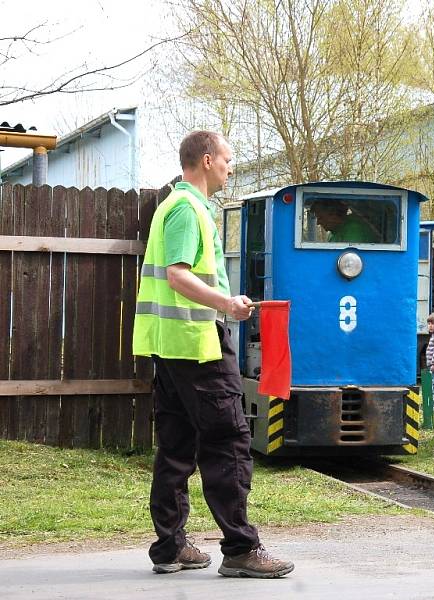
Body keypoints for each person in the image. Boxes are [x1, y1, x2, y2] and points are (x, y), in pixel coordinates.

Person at [132, 131, 294, 579]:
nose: (230, 167)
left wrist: (226, 301)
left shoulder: (177, 205)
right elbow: (178, 275)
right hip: (198, 346)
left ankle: (170, 546)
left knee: (177, 447)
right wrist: (226, 304)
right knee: (229, 441)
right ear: (206, 160)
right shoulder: (186, 210)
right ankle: (241, 548)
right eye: (227, 159)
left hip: (172, 346)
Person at [310, 201, 380, 243]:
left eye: (321, 217)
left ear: (333, 214)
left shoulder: (354, 229)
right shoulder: (333, 233)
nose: (318, 223)